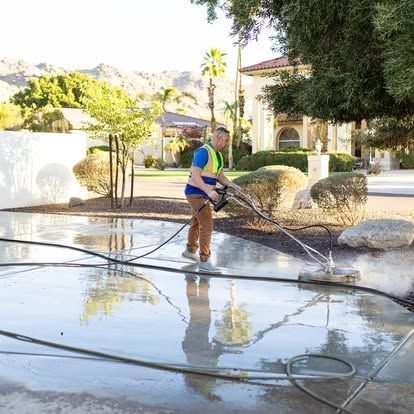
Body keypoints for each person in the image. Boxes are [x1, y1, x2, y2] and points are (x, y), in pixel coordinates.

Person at [182, 127, 241, 272]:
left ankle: (190, 251)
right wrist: (208, 190)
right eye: (225, 140)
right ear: (217, 137)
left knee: (197, 221)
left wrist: (232, 184)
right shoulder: (203, 152)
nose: (226, 143)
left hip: (202, 193)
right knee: (207, 224)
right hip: (195, 193)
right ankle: (205, 260)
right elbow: (195, 175)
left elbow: (219, 177)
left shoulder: (218, 155)